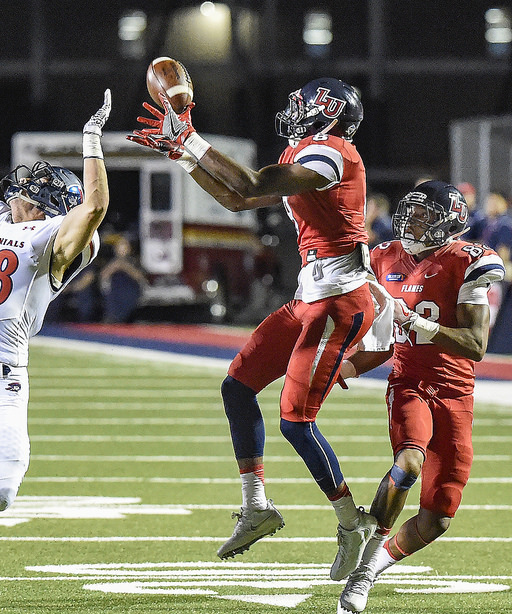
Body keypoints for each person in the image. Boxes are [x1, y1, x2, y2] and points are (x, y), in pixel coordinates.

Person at [128, 78, 378, 577]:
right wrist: (182, 156)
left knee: (295, 421)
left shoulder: (335, 152)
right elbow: (237, 202)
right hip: (313, 295)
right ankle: (256, 505)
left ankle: (353, 524)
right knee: (237, 386)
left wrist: (192, 139)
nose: (294, 110)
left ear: (326, 112)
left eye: (303, 104)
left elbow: (251, 184)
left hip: (340, 301)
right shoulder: (308, 149)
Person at [334, 180, 505, 614]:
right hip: (408, 381)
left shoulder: (469, 261)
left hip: (456, 392)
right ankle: (365, 554)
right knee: (408, 462)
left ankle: (371, 567)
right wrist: (347, 364)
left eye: (423, 213)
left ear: (447, 219)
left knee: (437, 519)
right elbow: (380, 338)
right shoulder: (384, 256)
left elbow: (474, 344)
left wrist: (416, 322)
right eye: (410, 211)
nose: (410, 220)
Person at [0, 89, 111, 512]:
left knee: (4, 488)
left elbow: (95, 206)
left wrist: (91, 138)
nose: (22, 191)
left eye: (35, 189)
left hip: (4, 374)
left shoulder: (53, 241)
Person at [99, 234, 147, 322]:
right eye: (119, 246)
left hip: (129, 290)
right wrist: (114, 267)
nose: (121, 249)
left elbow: (140, 276)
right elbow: (103, 275)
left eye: (124, 245)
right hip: (115, 291)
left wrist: (125, 267)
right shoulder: (111, 261)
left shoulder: (134, 261)